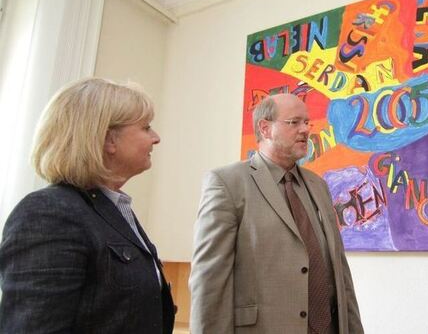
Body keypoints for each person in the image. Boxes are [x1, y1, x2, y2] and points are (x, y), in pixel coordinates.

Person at [0, 77, 175, 333]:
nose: (156, 138)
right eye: (146, 127)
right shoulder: (49, 213)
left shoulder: (113, 209)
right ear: (108, 140)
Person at [189, 93, 363, 334]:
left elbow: (340, 274)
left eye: (307, 122)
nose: (305, 130)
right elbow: (209, 281)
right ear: (265, 128)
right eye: (295, 122)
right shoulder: (227, 183)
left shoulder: (318, 186)